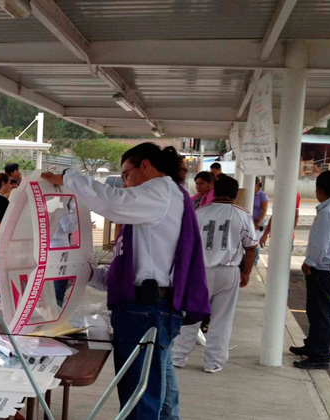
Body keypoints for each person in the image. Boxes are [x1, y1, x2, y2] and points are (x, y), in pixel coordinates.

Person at [42, 143, 210, 420]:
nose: (123, 183)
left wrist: (69, 177)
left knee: (140, 398)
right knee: (157, 390)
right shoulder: (156, 204)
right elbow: (137, 268)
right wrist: (91, 274)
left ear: (145, 166)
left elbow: (111, 203)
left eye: (125, 175)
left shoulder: (159, 190)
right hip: (148, 307)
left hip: (147, 311)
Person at [172, 175, 258, 374]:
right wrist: (246, 272)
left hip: (199, 271)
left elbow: (184, 245)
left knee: (191, 315)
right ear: (235, 194)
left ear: (214, 191)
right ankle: (213, 362)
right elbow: (251, 247)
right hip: (229, 271)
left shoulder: (199, 213)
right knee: (222, 319)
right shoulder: (242, 215)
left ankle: (178, 356)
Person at [292, 171, 330, 370]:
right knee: (315, 310)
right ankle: (312, 346)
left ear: (319, 190)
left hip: (323, 268)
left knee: (321, 313)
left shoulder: (328, 212)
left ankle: (320, 355)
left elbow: (321, 244)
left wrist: (308, 263)